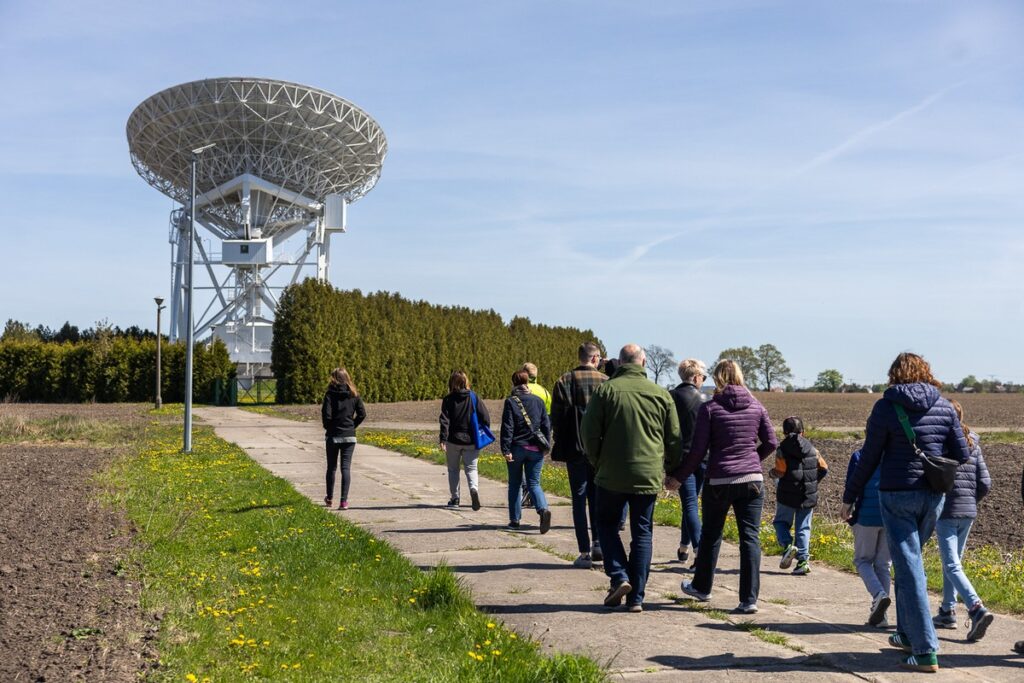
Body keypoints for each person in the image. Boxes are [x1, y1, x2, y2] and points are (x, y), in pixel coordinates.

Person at [840, 352, 969, 674]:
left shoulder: (886, 407)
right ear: (926, 372)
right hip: (933, 497)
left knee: (910, 569)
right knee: (908, 563)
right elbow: (962, 453)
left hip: (897, 494)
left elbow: (869, 457)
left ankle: (925, 651)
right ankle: (907, 634)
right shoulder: (942, 405)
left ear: (894, 375)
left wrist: (850, 497)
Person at [668, 359, 777, 615]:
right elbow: (771, 442)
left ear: (717, 379)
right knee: (750, 538)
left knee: (711, 534)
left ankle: (702, 588)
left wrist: (679, 477)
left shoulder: (710, 409)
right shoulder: (756, 406)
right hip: (751, 480)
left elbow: (697, 452)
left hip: (719, 480)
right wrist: (752, 461)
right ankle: (749, 600)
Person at [581, 344, 681, 613]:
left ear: (621, 361)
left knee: (606, 525)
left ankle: (619, 576)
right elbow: (674, 439)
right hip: (647, 475)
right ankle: (637, 596)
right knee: (642, 532)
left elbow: (588, 433)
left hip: (610, 474)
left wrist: (597, 461)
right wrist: (670, 469)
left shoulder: (606, 391)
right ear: (644, 362)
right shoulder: (661, 395)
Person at [932, 400, 993, 641]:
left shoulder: (941, 445)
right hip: (968, 511)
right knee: (954, 563)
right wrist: (970, 500)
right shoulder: (974, 445)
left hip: (946, 511)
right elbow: (985, 483)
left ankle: (976, 608)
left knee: (951, 565)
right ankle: (947, 611)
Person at [550, 342, 608, 568]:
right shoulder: (606, 382)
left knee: (578, 499)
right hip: (600, 450)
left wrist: (561, 441)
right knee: (597, 498)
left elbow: (556, 418)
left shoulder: (564, 381)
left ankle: (583, 551)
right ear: (595, 359)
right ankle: (598, 543)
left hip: (574, 448)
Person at [771, 416, 828, 576]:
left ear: (784, 432)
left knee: (781, 522)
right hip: (807, 495)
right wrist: (813, 483)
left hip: (787, 495)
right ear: (803, 432)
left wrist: (771, 473)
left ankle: (788, 546)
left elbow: (780, 472)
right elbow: (824, 468)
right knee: (803, 528)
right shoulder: (812, 449)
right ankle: (803, 562)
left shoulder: (782, 449)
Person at [844, 448, 892, 628]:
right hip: (889, 516)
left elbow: (852, 483)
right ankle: (882, 617)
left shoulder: (859, 455)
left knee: (862, 561)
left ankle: (879, 594)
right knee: (883, 565)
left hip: (865, 516)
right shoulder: (893, 455)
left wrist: (847, 507)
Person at [500, 370, 553, 532]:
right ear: (527, 382)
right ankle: (543, 509)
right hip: (536, 449)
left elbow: (508, 427)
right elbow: (546, 425)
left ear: (513, 383)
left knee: (515, 484)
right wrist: (546, 445)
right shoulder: (538, 401)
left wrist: (506, 449)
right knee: (534, 483)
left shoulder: (511, 402)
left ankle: (515, 521)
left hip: (517, 448)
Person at [669, 358, 708, 566]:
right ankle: (686, 546)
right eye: (703, 376)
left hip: (682, 460)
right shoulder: (706, 399)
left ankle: (696, 549)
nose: (703, 380)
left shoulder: (672, 396)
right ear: (695, 377)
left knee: (690, 504)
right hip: (703, 459)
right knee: (692, 504)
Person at [439, 370, 489, 510]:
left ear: (452, 383)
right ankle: (473, 489)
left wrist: (443, 438)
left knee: (453, 470)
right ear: (466, 382)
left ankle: (455, 499)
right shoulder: (474, 397)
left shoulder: (448, 399)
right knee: (472, 468)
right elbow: (485, 417)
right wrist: (482, 432)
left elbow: (444, 421)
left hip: (453, 440)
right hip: (471, 440)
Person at [321, 367, 366, 510]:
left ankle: (329, 499)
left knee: (331, 468)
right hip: (349, 436)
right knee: (345, 468)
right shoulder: (354, 394)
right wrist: (352, 426)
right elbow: (362, 414)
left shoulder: (329, 394)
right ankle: (343, 501)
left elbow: (326, 416)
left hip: (333, 436)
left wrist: (329, 428)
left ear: (333, 378)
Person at [518, 362, 551, 509]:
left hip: (521, 436)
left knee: (520, 469)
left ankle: (525, 492)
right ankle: (534, 498)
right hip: (538, 438)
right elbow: (548, 417)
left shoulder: (520, 390)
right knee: (535, 475)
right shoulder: (544, 392)